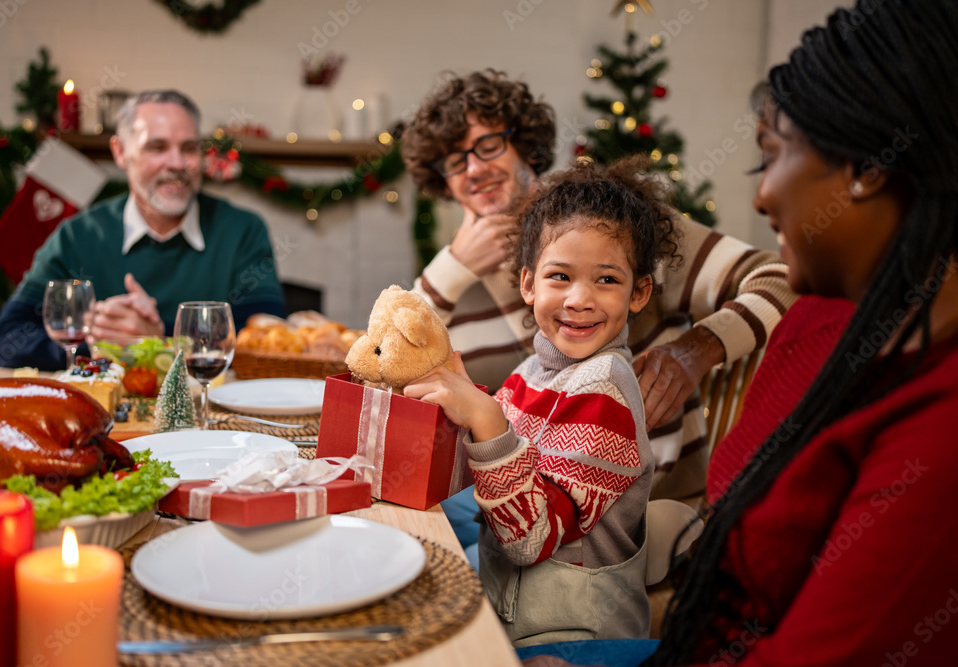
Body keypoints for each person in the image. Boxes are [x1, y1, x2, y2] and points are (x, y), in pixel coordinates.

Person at [524, 1, 958, 665]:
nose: (760, 199)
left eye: (773, 157)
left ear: (870, 168)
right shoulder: (822, 315)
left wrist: (697, 346)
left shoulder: (936, 423)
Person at [402, 69, 796, 506]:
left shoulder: (623, 226)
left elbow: (782, 280)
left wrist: (696, 350)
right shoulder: (449, 282)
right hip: (515, 503)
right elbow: (390, 369)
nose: (474, 168)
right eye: (455, 161)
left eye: (488, 145)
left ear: (525, 146)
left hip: (640, 516)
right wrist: (452, 269)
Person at [406, 157, 678, 646]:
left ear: (639, 293)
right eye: (560, 277)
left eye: (607, 280)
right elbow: (497, 472)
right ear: (528, 284)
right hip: (513, 615)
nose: (579, 298)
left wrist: (486, 419)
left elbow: (530, 538)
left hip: (573, 637)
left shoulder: (605, 389)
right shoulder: (533, 372)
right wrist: (462, 414)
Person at [0, 90, 285, 371]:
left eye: (189, 148)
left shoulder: (243, 231)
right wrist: (100, 343)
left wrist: (158, 339)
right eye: (157, 147)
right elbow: (3, 345)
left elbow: (273, 348)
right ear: (120, 152)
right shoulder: (78, 236)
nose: (177, 163)